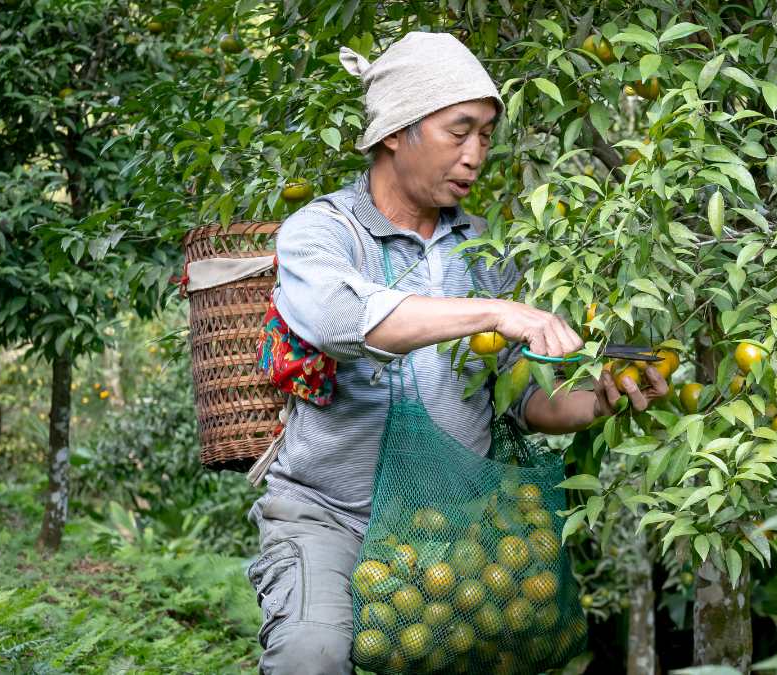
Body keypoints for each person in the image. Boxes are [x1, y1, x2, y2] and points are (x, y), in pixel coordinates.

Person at [245, 31, 669, 674]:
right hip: (329, 516)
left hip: (447, 527)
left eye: (486, 136)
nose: (476, 155)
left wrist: (601, 401)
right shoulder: (322, 231)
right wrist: (496, 311)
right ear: (396, 131)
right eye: (459, 131)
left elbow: (522, 396)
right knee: (313, 655)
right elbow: (338, 319)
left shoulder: (482, 249)